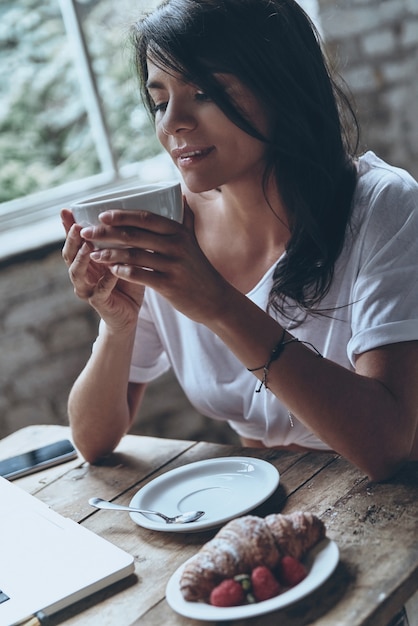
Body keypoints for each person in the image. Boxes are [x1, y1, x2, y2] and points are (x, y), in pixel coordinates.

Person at [61, 0, 418, 482]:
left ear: (281, 86)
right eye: (161, 100)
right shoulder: (167, 224)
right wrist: (117, 325)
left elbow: (387, 446)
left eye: (204, 91)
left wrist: (220, 306)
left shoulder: (383, 206)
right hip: (270, 493)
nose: (172, 123)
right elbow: (92, 440)